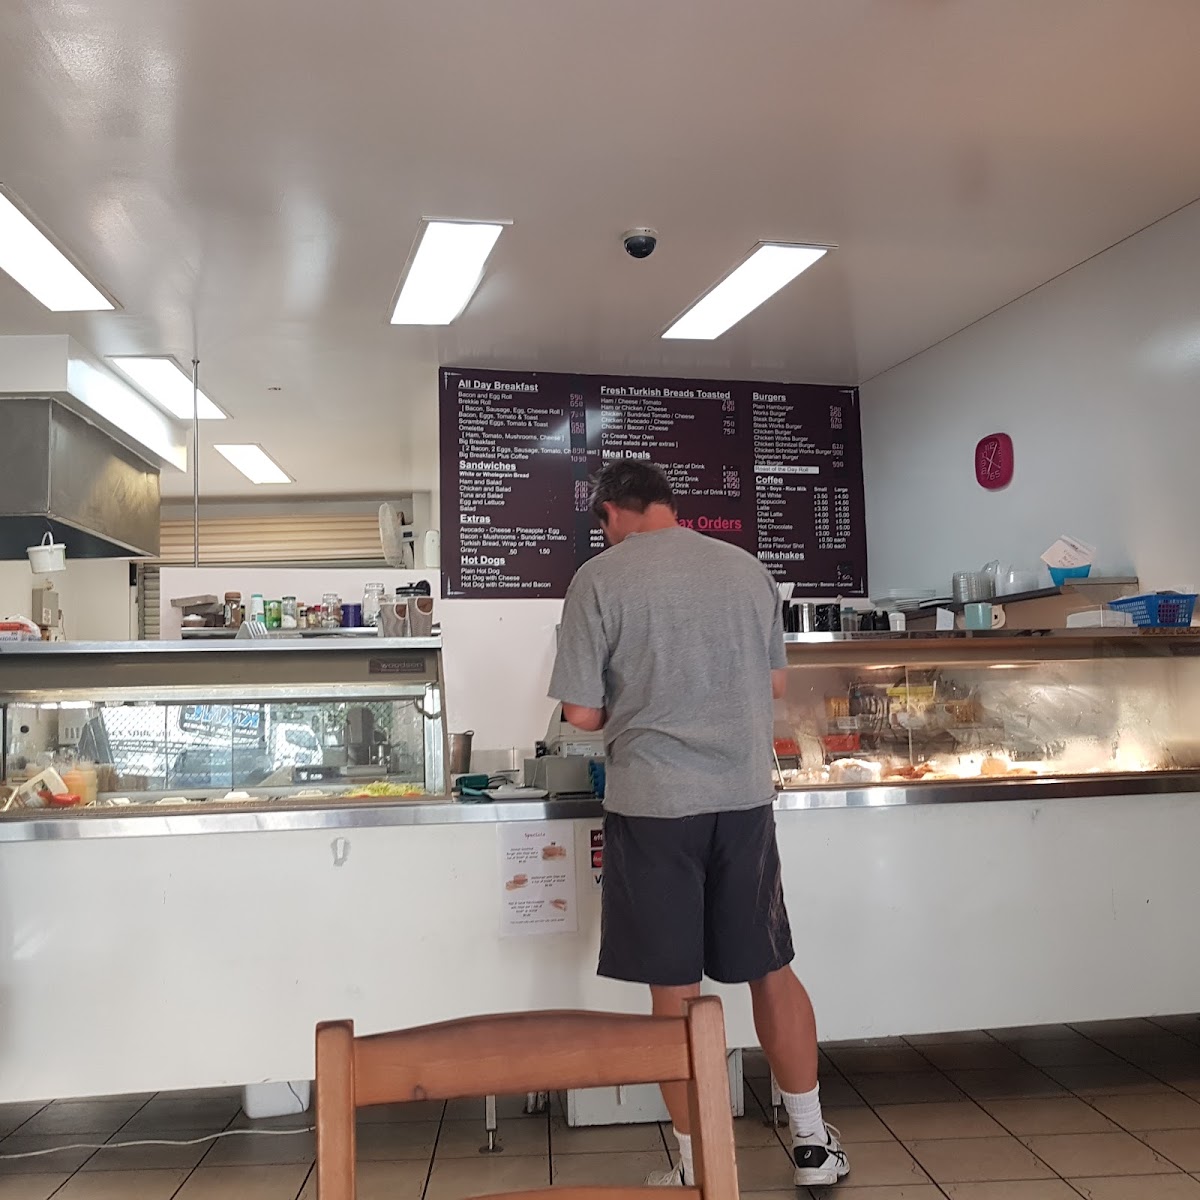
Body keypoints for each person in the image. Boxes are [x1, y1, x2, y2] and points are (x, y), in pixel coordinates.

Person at [548, 460, 848, 1189]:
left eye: (601, 525)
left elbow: (581, 714)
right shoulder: (747, 570)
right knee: (770, 969)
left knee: (674, 990)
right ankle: (812, 1145)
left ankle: (698, 1163)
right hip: (742, 801)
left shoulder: (599, 579)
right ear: (668, 503)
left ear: (611, 512)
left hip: (653, 807)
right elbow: (774, 683)